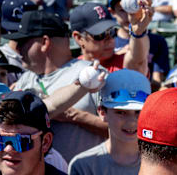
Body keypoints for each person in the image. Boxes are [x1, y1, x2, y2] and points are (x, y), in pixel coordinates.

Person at [8, 10, 107, 162]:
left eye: (23, 42)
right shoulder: (24, 80)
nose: (17, 48)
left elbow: (126, 132)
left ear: (44, 42)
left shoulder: (93, 74)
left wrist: (77, 117)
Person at [68, 69, 151, 175]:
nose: (131, 122)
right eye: (120, 112)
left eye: (138, 112)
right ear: (102, 112)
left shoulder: (160, 162)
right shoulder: (84, 166)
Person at [108, 0, 170, 90]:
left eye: (133, 8)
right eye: (122, 10)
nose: (128, 15)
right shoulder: (106, 40)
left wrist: (138, 58)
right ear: (112, 12)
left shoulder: (157, 41)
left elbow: (156, 82)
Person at [70, 1, 152, 75]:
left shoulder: (122, 62)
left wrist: (138, 33)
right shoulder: (71, 72)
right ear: (79, 38)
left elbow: (138, 63)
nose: (110, 39)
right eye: (100, 34)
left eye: (111, 32)